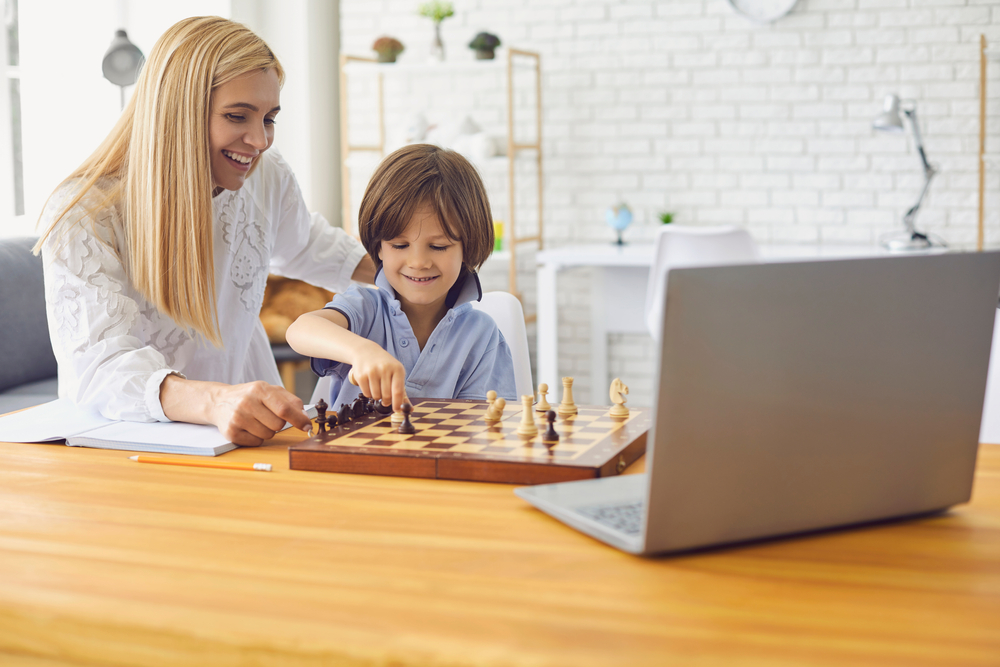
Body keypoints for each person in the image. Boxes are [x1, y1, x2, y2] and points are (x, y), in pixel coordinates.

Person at [33, 16, 376, 446]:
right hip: (125, 442)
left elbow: (306, 243)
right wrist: (215, 402)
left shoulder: (266, 176)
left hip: (243, 434)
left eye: (269, 118)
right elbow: (102, 367)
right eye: (237, 116)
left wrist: (410, 267)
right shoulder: (84, 212)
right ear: (177, 111)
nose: (260, 140)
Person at [285, 144, 517, 412]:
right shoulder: (365, 308)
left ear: (468, 246)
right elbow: (300, 330)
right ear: (379, 247)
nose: (418, 262)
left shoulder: (481, 335)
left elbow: (484, 431)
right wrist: (361, 351)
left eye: (439, 246)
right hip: (354, 453)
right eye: (399, 245)